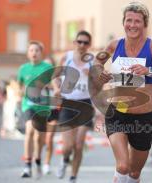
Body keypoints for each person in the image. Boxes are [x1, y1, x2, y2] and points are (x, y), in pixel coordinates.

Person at [91, 2, 152, 182]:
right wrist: (101, 72)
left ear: (145, 24)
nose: (132, 25)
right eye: (128, 20)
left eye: (137, 21)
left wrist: (149, 71)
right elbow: (96, 63)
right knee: (122, 166)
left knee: (134, 173)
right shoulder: (114, 45)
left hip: (143, 117)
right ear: (123, 23)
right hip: (117, 113)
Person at [54, 30, 94, 183]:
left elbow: (99, 82)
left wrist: (91, 74)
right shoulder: (66, 57)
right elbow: (55, 76)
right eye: (79, 41)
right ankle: (64, 160)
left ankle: (73, 177)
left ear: (89, 45)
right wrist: (57, 88)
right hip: (67, 103)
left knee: (79, 145)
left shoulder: (92, 60)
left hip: (85, 104)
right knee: (68, 146)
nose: (82, 45)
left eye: (85, 42)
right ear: (75, 43)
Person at [18, 41, 54, 178]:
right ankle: (27, 165)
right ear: (28, 53)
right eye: (31, 50)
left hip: (43, 106)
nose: (34, 53)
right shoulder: (23, 69)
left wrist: (50, 87)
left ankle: (38, 160)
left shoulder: (47, 67)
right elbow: (20, 84)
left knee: (39, 135)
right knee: (29, 130)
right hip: (28, 104)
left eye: (37, 50)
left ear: (41, 53)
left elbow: (55, 83)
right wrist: (21, 92)